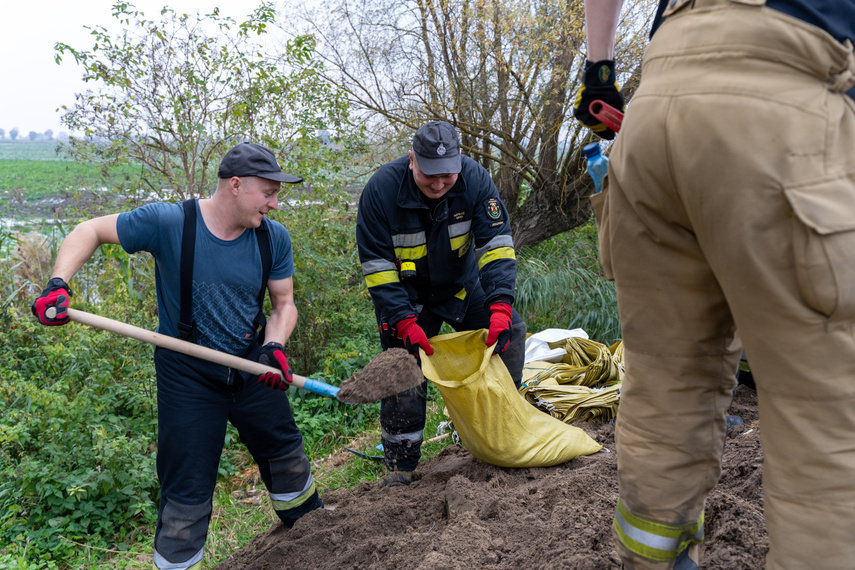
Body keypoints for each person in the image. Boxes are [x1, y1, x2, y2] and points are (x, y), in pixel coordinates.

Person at [574, 0, 855, 568]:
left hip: (658, 105)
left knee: (665, 383)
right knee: (821, 409)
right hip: (784, 92)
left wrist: (599, 69)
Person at [31, 143, 323, 569]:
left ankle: (318, 543)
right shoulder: (170, 222)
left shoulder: (272, 237)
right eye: (269, 192)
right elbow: (88, 230)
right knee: (186, 489)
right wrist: (58, 282)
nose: (275, 203)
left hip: (251, 364)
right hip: (187, 374)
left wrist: (273, 347)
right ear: (237, 186)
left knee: (288, 459)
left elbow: (284, 305)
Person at [356, 121, 527, 487]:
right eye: (428, 176)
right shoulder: (380, 191)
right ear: (411, 159)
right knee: (401, 368)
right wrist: (403, 321)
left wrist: (499, 306)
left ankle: (510, 424)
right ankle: (401, 466)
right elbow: (377, 269)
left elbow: (496, 247)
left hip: (461, 288)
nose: (437, 185)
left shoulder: (477, 181)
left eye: (447, 176)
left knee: (510, 329)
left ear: (460, 160)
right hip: (408, 298)